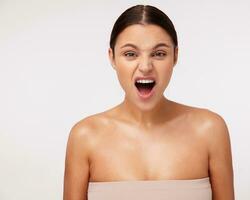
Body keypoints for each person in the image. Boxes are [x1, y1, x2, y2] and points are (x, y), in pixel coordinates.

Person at [63, 4, 235, 200]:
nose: (145, 66)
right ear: (112, 58)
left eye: (159, 53)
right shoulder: (85, 136)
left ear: (175, 56)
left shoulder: (210, 129)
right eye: (130, 54)